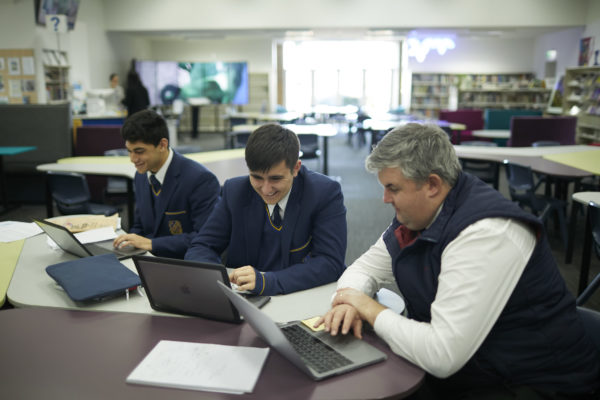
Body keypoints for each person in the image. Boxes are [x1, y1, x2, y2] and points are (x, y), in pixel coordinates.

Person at [317, 123, 600, 399]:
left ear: (432, 184)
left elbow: (442, 355)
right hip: (473, 370)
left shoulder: (487, 232)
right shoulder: (421, 215)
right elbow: (364, 268)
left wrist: (366, 307)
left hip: (529, 382)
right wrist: (351, 298)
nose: (384, 199)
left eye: (393, 188)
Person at [184, 123, 347, 295]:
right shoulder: (235, 191)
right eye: (257, 177)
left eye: (275, 179)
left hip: (297, 295)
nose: (266, 189)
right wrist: (214, 279)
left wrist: (267, 282)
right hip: (244, 297)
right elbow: (202, 246)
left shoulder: (324, 193)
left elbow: (330, 262)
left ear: (296, 168)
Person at [113, 109, 220, 259]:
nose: (133, 159)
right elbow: (140, 225)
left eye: (139, 151)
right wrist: (128, 241)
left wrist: (152, 244)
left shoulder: (200, 179)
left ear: (162, 145)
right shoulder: (141, 176)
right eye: (129, 151)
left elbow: (205, 238)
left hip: (185, 263)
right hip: (148, 259)